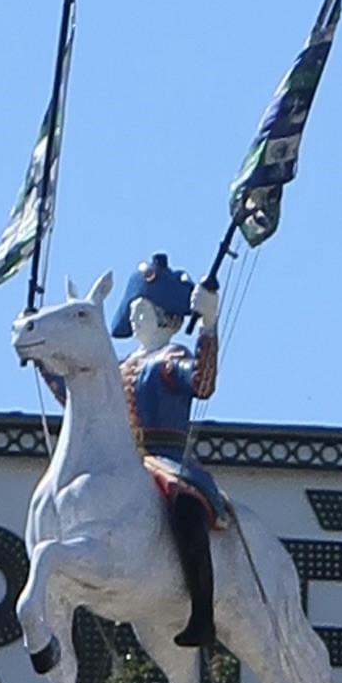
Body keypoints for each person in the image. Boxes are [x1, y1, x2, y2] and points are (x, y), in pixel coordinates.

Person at [110, 254, 228, 646]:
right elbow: (85, 402)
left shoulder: (170, 360)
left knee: (184, 506)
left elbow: (202, 383)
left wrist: (208, 325)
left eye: (142, 310)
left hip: (167, 459)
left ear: (167, 318)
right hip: (125, 458)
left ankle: (203, 610)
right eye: (133, 311)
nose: (135, 317)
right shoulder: (122, 366)